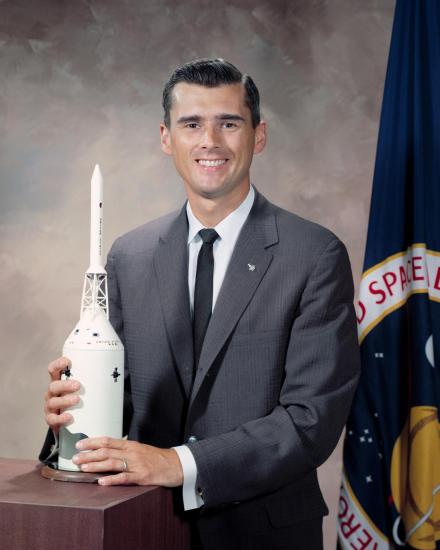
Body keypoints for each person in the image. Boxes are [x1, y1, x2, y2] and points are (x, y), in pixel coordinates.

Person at [41, 58, 360, 550]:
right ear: (168, 138)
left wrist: (178, 464)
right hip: (141, 526)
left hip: (262, 534)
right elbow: (123, 406)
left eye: (228, 123)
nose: (210, 140)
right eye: (192, 124)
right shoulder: (129, 255)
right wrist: (75, 420)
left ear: (258, 136)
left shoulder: (314, 255)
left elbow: (310, 421)